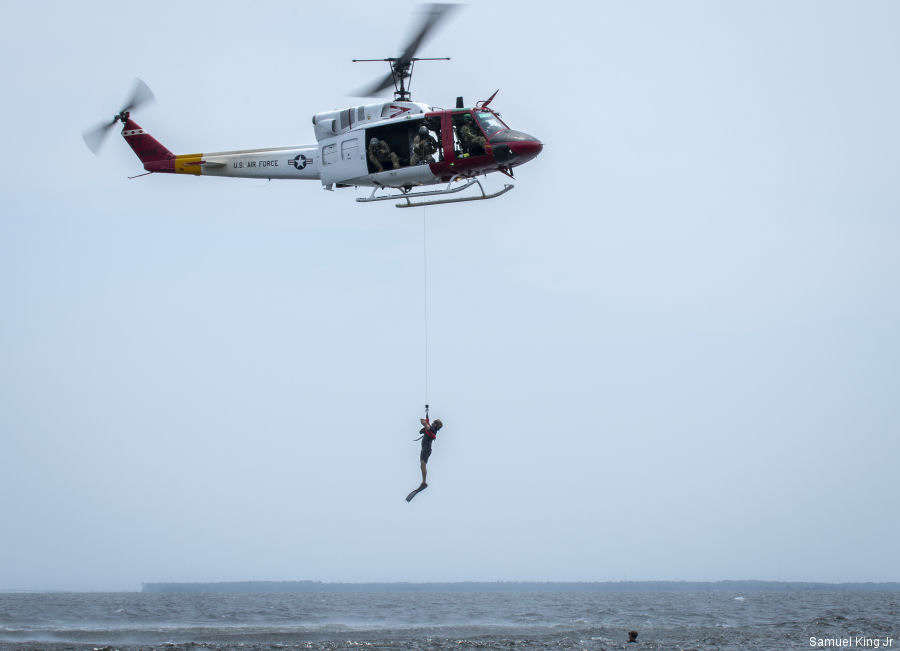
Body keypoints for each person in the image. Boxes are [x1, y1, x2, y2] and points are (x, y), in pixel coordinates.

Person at [415, 411, 443, 489]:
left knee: (423, 463)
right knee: (422, 464)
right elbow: (425, 423)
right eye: (433, 422)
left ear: (436, 425)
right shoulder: (431, 429)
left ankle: (424, 482)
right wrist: (426, 412)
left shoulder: (433, 429)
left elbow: (423, 422)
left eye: (434, 423)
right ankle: (423, 481)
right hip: (425, 449)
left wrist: (425, 424)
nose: (433, 423)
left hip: (426, 449)